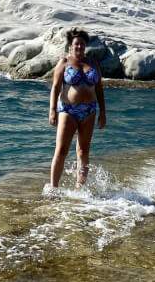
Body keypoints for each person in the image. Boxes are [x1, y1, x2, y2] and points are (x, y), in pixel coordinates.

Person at [49, 28, 107, 188]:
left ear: (85, 45)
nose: (79, 47)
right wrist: (52, 110)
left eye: (82, 44)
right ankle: (53, 188)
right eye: (76, 44)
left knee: (83, 152)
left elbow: (99, 89)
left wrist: (103, 113)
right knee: (61, 151)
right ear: (71, 45)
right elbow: (55, 87)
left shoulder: (93, 63)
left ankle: (80, 188)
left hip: (89, 111)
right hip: (68, 110)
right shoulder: (64, 62)